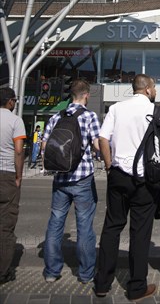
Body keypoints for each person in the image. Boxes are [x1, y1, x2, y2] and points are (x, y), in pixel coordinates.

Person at [94, 74, 160, 301]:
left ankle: (102, 283)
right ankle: (137, 286)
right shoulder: (159, 113)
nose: (155, 90)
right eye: (155, 86)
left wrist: (109, 166)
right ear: (147, 89)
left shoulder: (117, 109)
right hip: (145, 180)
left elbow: (102, 138)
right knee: (140, 233)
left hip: (118, 176)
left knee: (112, 226)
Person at [42, 79, 100, 284]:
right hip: (82, 177)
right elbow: (96, 145)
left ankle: (51, 271)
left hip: (60, 178)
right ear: (86, 95)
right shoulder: (89, 116)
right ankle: (85, 274)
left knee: (55, 223)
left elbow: (45, 147)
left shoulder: (56, 116)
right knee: (84, 226)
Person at [0, 87, 26, 285]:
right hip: (6, 173)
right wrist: (18, 175)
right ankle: (3, 271)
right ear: (10, 102)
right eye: (14, 101)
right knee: (6, 223)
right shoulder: (15, 120)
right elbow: (18, 150)